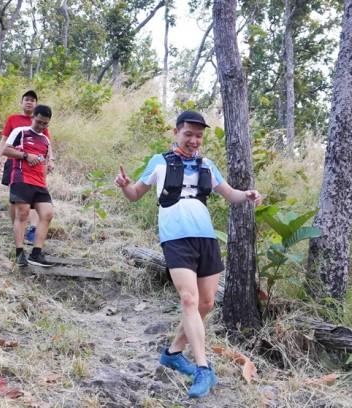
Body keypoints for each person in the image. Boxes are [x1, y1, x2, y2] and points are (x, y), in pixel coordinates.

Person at [113, 111, 263, 398]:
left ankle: (172, 353)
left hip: (205, 237)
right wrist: (123, 186)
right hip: (175, 237)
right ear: (176, 132)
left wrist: (248, 195)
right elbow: (135, 194)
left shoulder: (207, 164)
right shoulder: (159, 162)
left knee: (205, 303)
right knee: (188, 298)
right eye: (188, 134)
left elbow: (230, 194)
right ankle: (203, 368)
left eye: (198, 136)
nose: (194, 140)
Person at [3, 105, 56, 268]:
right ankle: (19, 253)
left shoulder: (45, 139)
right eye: (39, 122)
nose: (41, 126)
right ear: (33, 116)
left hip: (39, 182)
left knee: (47, 214)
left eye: (45, 124)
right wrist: (26, 155)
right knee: (23, 215)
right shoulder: (20, 131)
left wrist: (47, 170)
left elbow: (45, 160)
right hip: (21, 178)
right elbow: (6, 150)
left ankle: (36, 253)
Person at [0, 90, 51, 245]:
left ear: (36, 104)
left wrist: (50, 160)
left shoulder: (41, 121)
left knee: (32, 199)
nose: (29, 102)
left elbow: (46, 144)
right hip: (13, 163)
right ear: (22, 102)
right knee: (15, 200)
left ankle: (32, 228)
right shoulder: (13, 119)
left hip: (34, 169)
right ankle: (17, 229)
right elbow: (5, 139)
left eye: (33, 100)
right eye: (26, 99)